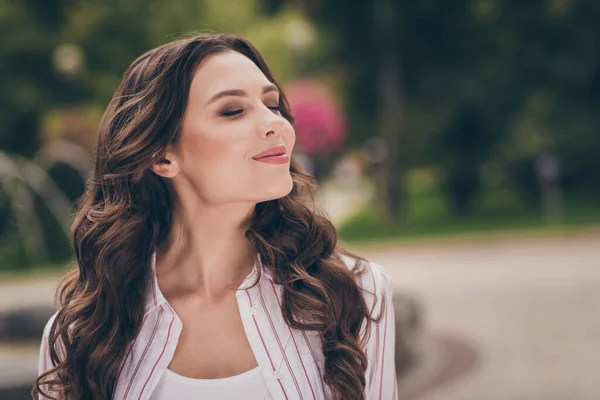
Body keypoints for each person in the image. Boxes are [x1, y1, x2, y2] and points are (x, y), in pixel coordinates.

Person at [33, 33, 397, 400]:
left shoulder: (356, 292)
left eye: (272, 105)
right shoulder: (83, 334)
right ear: (162, 156)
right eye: (233, 111)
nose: (276, 124)